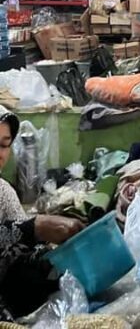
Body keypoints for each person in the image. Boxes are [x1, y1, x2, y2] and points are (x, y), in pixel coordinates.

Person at [0, 107, 83, 319]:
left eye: (4, 145)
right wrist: (34, 227)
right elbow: (22, 230)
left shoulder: (3, 192)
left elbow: (22, 242)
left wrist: (58, 246)